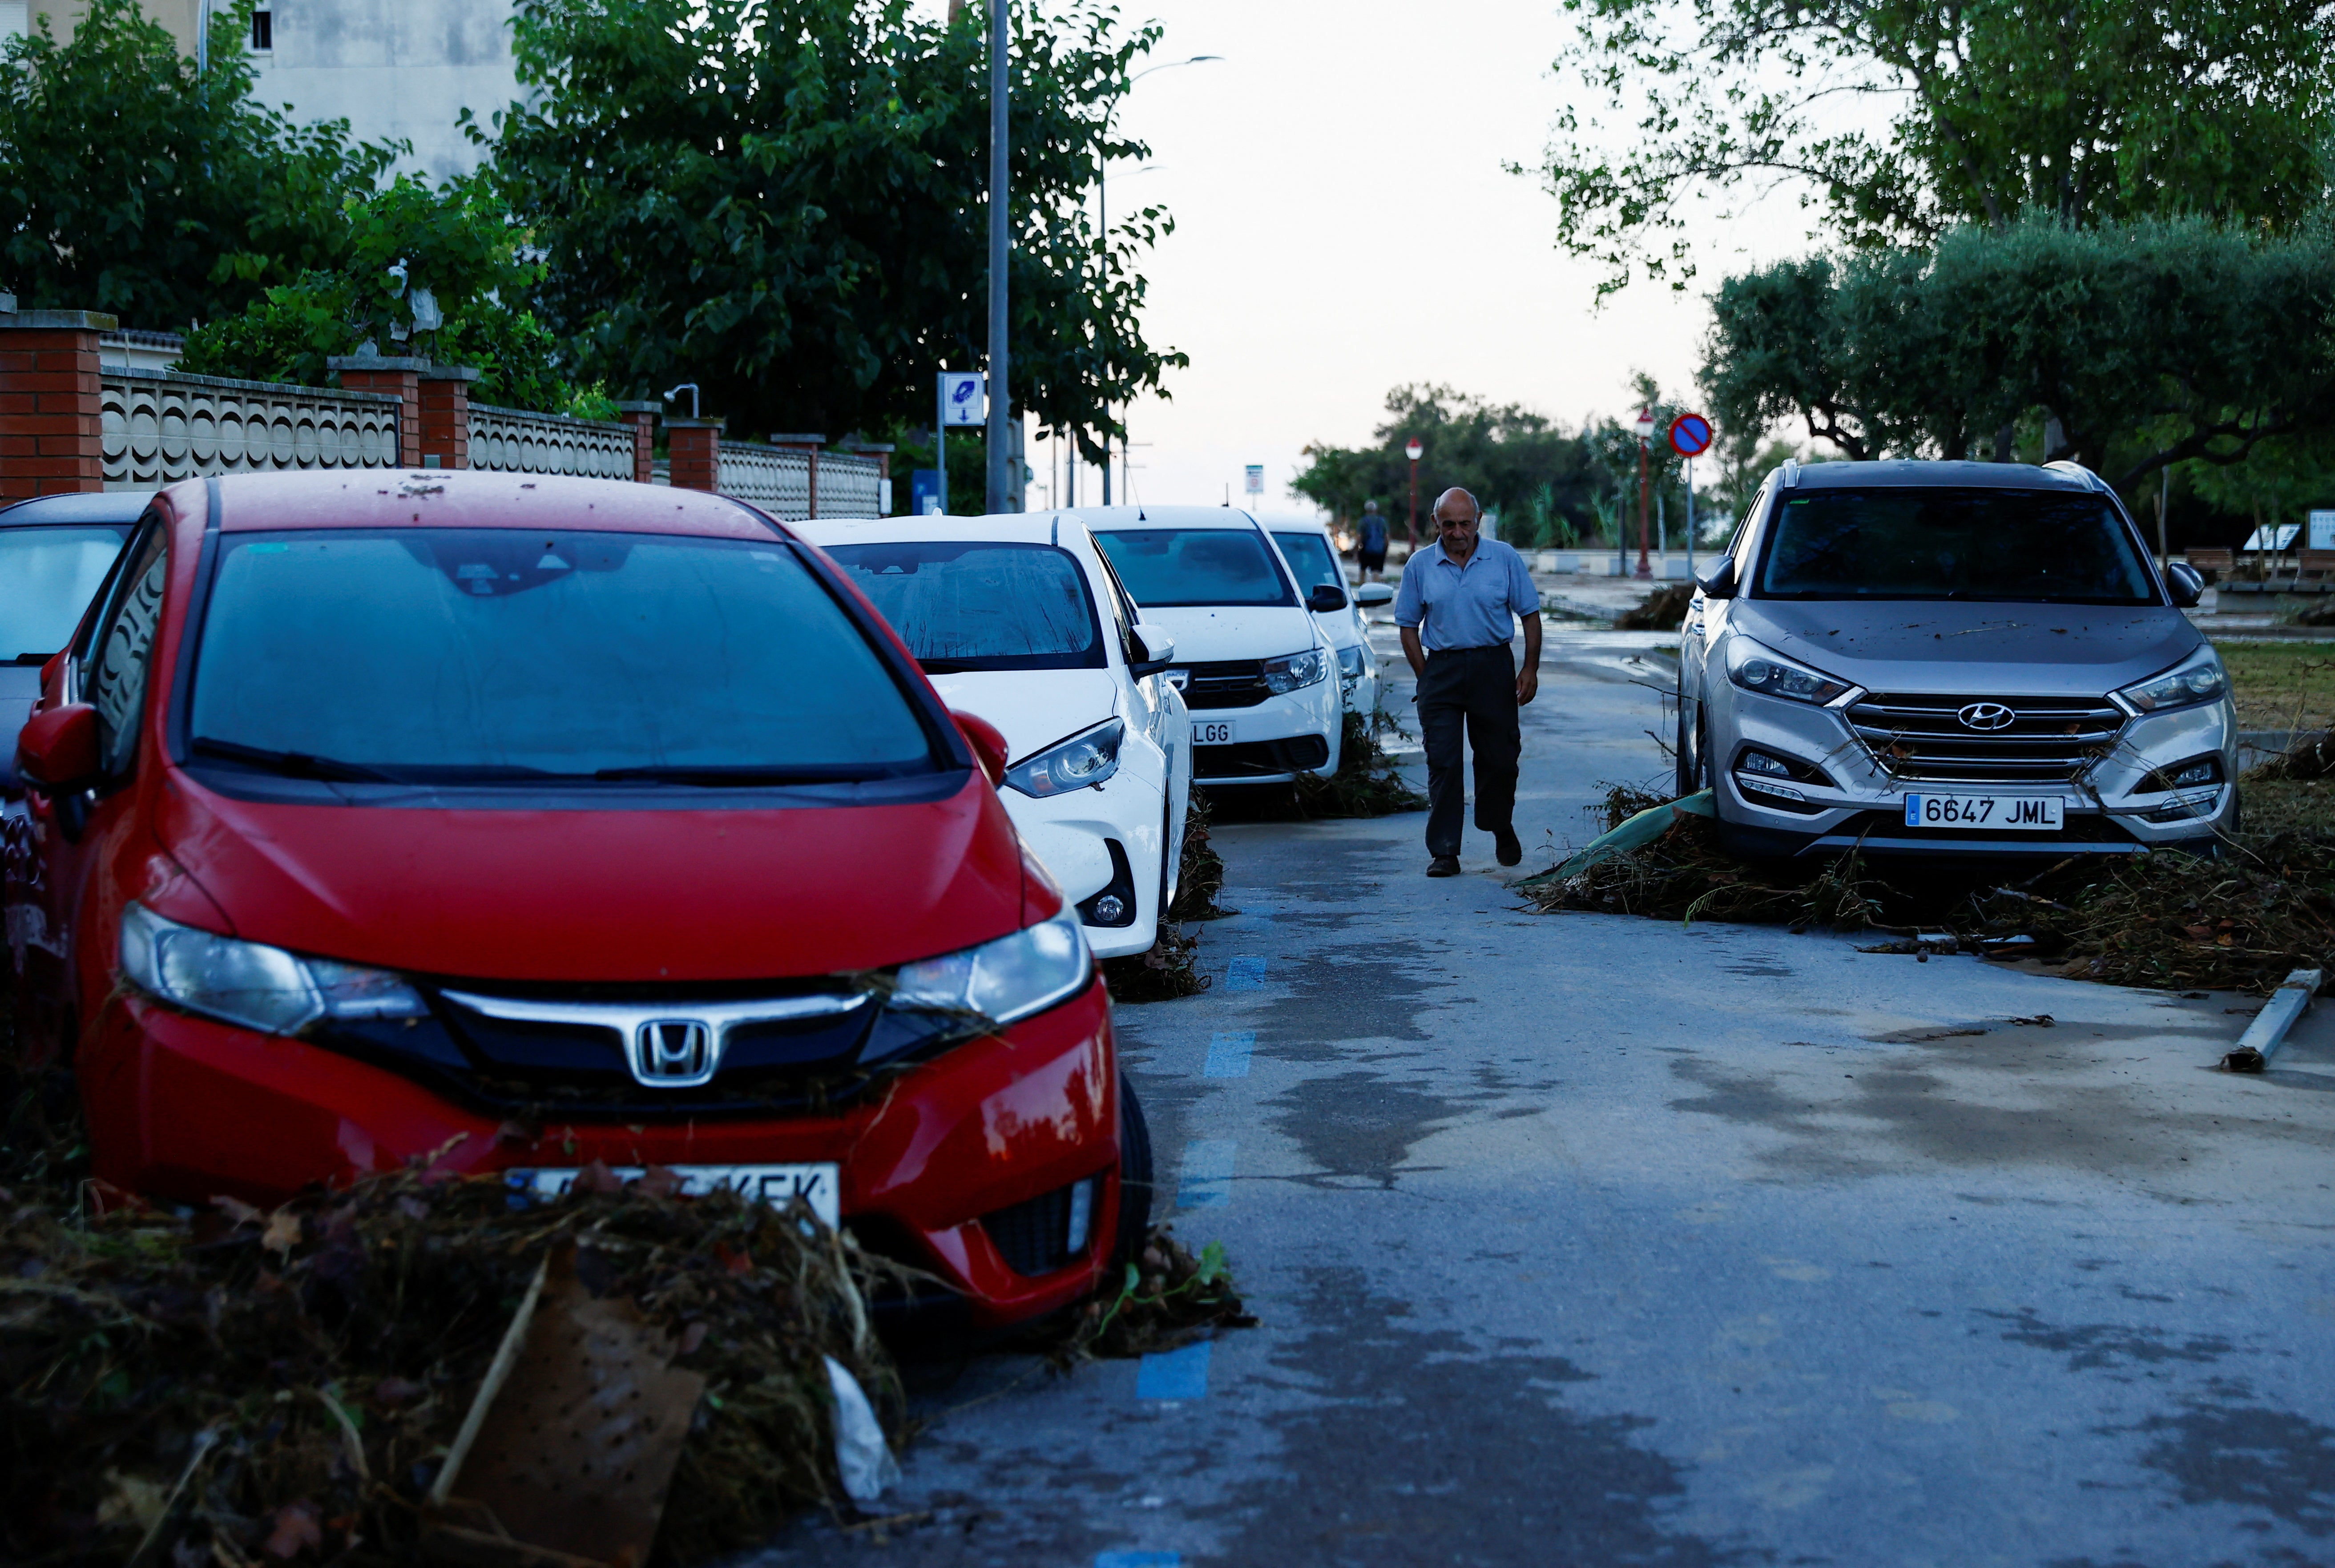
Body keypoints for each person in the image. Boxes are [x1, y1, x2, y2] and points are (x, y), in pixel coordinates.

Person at [1393, 487, 1542, 876]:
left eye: (1464, 524)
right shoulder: (1419, 565)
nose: (1457, 532)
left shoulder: (1504, 558)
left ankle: (1499, 824)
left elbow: (1529, 615)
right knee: (1443, 761)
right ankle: (1444, 850)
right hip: (1440, 670)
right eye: (1448, 525)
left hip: (1492, 666)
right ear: (1435, 524)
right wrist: (1425, 677)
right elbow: (1408, 626)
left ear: (1477, 521)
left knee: (1499, 758)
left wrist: (1530, 668)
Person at [1356, 500, 1390, 581]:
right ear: (1376, 509)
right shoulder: (1382, 521)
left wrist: (1357, 550)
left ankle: (1362, 588)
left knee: (1363, 570)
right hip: (1379, 550)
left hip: (1365, 549)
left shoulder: (1363, 521)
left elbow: (1359, 537)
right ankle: (1375, 590)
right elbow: (1387, 537)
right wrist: (1385, 549)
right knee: (1376, 571)